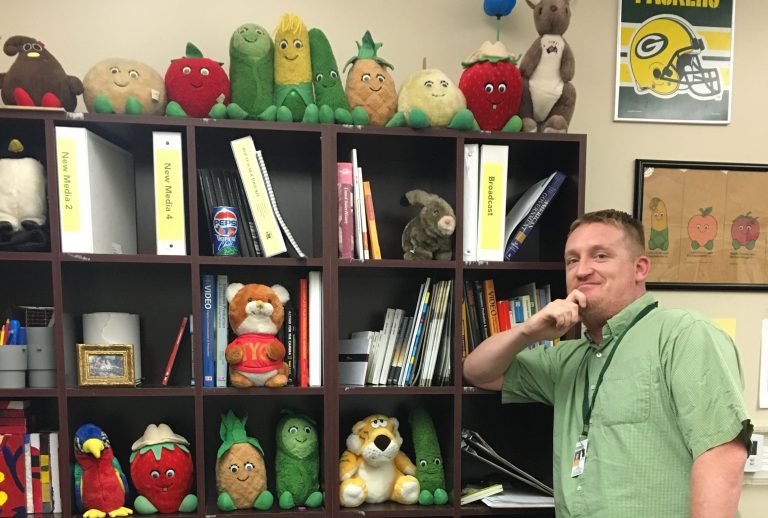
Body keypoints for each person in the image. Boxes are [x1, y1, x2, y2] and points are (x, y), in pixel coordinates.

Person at [463, 209, 752, 518]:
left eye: (600, 256)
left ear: (640, 268)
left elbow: (722, 455)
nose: (582, 270)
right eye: (572, 260)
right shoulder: (567, 360)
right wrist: (529, 331)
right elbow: (478, 371)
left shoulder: (683, 334)